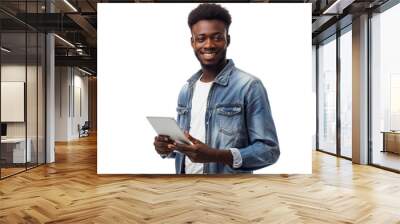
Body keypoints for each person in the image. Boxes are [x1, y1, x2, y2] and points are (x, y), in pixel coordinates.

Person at [153, 3, 280, 174]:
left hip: (227, 193)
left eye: (217, 37)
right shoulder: (186, 90)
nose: (209, 45)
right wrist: (167, 148)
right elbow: (188, 148)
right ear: (192, 42)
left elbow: (269, 151)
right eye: (201, 38)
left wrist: (216, 155)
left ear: (228, 39)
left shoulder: (249, 86)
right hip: (185, 187)